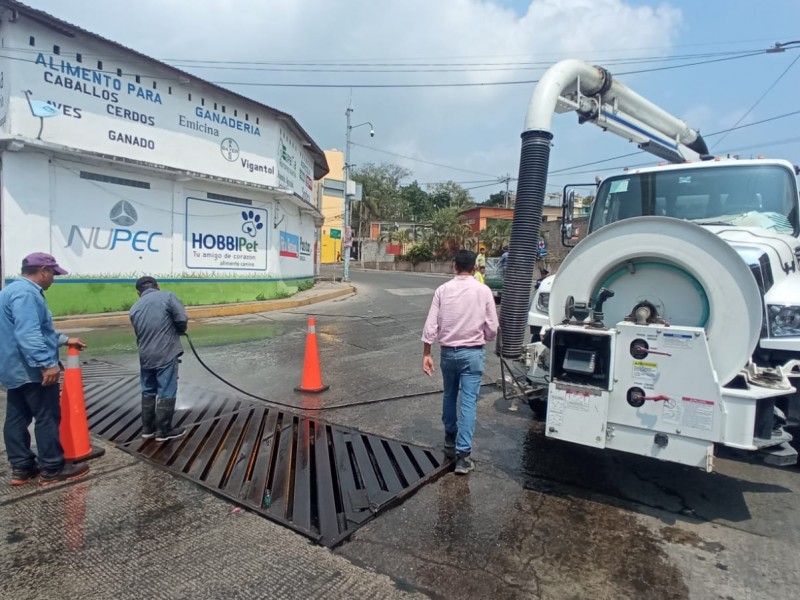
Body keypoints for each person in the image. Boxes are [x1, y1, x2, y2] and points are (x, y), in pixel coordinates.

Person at [0, 252, 90, 486]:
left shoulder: (9, 291)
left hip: (12, 368)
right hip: (31, 370)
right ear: (43, 271)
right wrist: (46, 364)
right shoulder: (27, 294)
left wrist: (64, 339)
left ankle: (22, 468)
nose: (54, 279)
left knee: (16, 418)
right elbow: (28, 333)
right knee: (47, 417)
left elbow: (36, 330)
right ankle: (52, 467)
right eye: (53, 274)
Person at [422, 250, 499, 475]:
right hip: (473, 353)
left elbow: (430, 325)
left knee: (449, 394)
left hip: (448, 353)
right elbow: (492, 328)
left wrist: (427, 353)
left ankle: (449, 439)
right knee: (468, 402)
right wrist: (483, 335)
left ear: (454, 266)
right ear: (475, 267)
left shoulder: (442, 290)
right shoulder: (483, 291)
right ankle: (463, 457)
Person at [129, 276, 189, 442]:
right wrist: (180, 329)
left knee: (148, 390)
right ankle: (164, 430)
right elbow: (181, 319)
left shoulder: (134, 308)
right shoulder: (168, 296)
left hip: (145, 355)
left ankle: (148, 429)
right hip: (165, 352)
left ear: (138, 292)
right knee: (166, 389)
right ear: (158, 286)